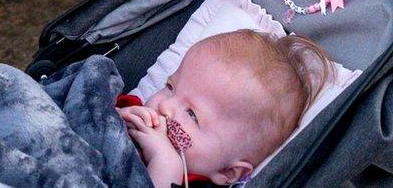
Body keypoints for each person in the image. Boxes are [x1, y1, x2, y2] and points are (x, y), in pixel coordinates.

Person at [117, 29, 333, 187]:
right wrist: (116, 117)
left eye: (192, 114)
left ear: (227, 171)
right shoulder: (132, 110)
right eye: (170, 87)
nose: (165, 105)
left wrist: (165, 165)